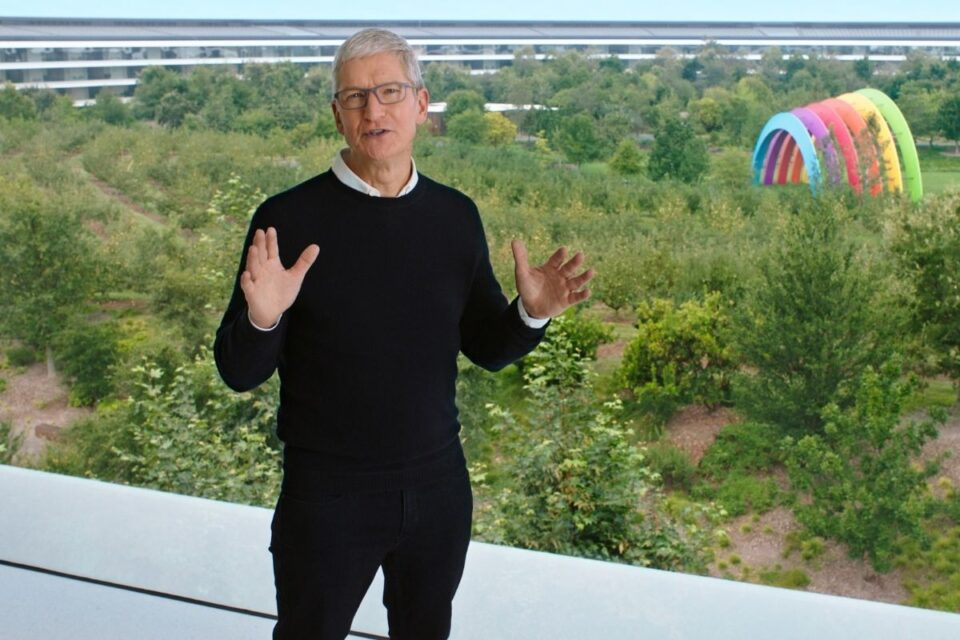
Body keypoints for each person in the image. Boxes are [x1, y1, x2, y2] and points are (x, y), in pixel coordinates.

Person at [213, 27, 595, 640]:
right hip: (327, 495)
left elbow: (487, 348)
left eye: (390, 91)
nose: (374, 110)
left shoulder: (455, 216)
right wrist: (264, 318)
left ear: (421, 104)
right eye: (356, 97)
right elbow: (238, 371)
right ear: (337, 115)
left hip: (439, 486)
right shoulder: (286, 218)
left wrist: (532, 314)